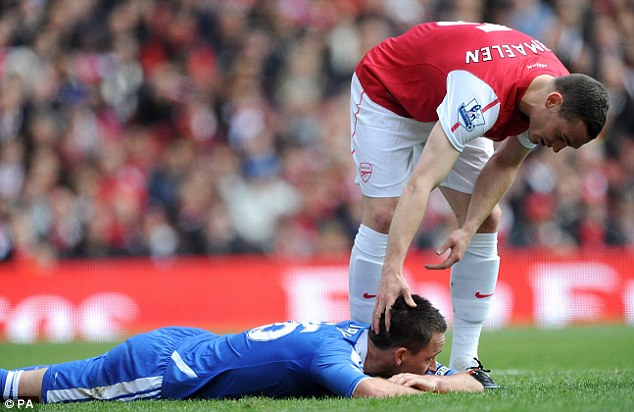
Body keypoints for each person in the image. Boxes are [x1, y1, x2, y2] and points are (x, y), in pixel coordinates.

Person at [348, 21, 609, 375]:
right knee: (382, 216)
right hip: (390, 94)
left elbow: (505, 163)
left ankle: (465, 362)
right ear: (552, 102)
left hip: (447, 95)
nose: (558, 149)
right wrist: (392, 270)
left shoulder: (550, 92)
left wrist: (468, 228)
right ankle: (361, 355)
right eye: (561, 136)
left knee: (487, 218)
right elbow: (420, 183)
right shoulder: (480, 97)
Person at [0, 295, 488, 404]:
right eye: (429, 357)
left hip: (188, 341)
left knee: (64, 379)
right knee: (48, 391)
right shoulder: (328, 356)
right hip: (166, 369)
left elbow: (478, 380)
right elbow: (371, 395)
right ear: (400, 356)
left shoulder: (365, 335)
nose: (435, 362)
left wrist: (436, 377)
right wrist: (426, 387)